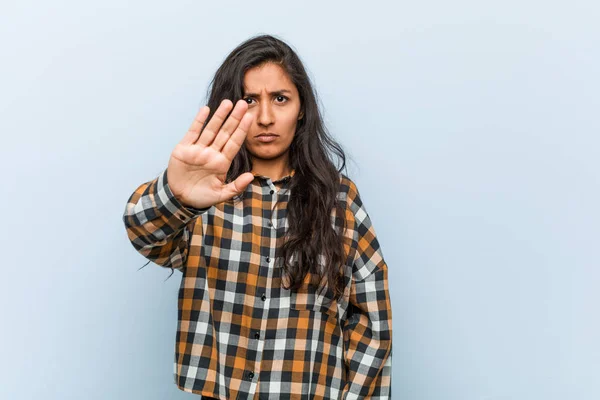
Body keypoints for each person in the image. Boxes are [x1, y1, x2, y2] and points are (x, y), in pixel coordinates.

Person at [123, 34, 392, 399]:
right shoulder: (204, 196)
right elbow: (143, 232)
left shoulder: (339, 201)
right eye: (250, 101)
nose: (265, 117)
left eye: (280, 99)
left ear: (301, 109)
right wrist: (176, 194)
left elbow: (371, 320)